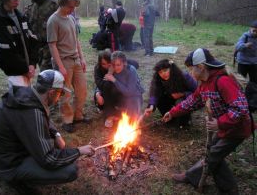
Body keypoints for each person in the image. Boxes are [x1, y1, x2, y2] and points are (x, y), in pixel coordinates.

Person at [163, 48, 251, 194]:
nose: (190, 73)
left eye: (191, 69)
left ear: (201, 67)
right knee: (213, 154)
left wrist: (220, 123)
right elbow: (192, 101)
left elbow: (241, 108)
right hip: (225, 128)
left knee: (214, 154)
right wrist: (172, 113)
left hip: (237, 129)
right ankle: (204, 179)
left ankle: (227, 188)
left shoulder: (223, 81)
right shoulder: (204, 84)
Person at [0, 69, 95, 185]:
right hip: (8, 165)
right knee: (70, 170)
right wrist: (79, 151)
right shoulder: (31, 112)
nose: (60, 97)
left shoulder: (28, 95)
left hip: (2, 155)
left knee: (55, 146)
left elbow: (44, 118)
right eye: (61, 93)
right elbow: (49, 159)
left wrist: (56, 134)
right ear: (52, 92)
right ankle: (20, 180)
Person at [47, 0, 90, 133]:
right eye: (70, 6)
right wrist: (60, 66)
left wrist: (82, 58)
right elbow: (52, 45)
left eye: (74, 7)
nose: (72, 9)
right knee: (66, 93)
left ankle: (78, 115)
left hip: (76, 60)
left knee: (82, 90)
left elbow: (76, 40)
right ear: (62, 2)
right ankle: (67, 120)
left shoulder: (71, 18)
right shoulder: (53, 20)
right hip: (63, 61)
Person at [0, 0, 38, 87]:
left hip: (28, 69)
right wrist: (25, 69)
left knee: (27, 98)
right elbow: (6, 52)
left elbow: (32, 40)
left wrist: (32, 64)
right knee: (20, 101)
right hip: (15, 73)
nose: (17, 1)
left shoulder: (21, 16)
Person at [144, 59, 197, 126]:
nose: (163, 74)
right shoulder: (158, 79)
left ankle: (184, 122)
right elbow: (155, 91)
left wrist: (183, 94)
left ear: (172, 69)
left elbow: (197, 92)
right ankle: (169, 118)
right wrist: (151, 105)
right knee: (159, 99)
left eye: (165, 70)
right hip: (169, 97)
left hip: (184, 99)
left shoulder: (184, 76)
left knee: (180, 102)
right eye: (160, 72)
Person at [94, 50, 139, 127]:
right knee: (107, 86)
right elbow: (99, 84)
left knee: (132, 115)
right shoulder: (99, 69)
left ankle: (120, 110)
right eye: (103, 64)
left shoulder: (120, 66)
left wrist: (113, 79)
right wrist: (97, 93)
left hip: (127, 94)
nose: (107, 66)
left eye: (109, 64)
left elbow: (135, 64)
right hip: (108, 91)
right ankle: (109, 114)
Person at [24, 0, 58, 72]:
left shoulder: (54, 5)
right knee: (45, 76)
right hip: (38, 50)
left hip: (52, 49)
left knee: (50, 77)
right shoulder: (30, 8)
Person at [104, 51, 144, 122]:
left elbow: (129, 92)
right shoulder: (112, 69)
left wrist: (114, 80)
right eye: (113, 65)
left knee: (132, 120)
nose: (116, 68)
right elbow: (103, 86)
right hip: (120, 96)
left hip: (134, 97)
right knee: (108, 90)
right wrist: (109, 73)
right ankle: (114, 112)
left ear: (124, 63)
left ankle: (132, 112)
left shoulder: (131, 71)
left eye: (118, 65)